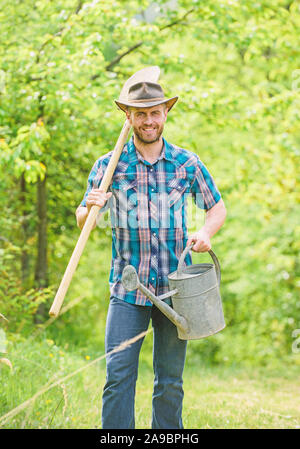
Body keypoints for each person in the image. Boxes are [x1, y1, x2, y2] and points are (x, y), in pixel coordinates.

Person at [76, 81, 226, 429]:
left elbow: (216, 207)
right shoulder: (109, 165)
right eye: (140, 114)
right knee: (118, 378)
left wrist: (205, 232)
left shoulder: (186, 162)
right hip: (128, 290)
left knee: (170, 383)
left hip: (176, 292)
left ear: (165, 114)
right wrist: (91, 208)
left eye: (154, 113)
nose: (148, 120)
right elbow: (85, 218)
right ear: (128, 117)